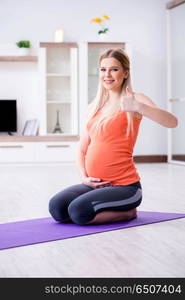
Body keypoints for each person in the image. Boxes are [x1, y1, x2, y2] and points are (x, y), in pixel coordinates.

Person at [49, 48, 178, 226]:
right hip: (94, 184)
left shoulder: (134, 100)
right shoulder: (95, 107)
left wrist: (140, 107)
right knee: (57, 208)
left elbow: (172, 122)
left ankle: (128, 213)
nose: (107, 75)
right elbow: (82, 148)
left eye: (114, 69)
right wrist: (84, 177)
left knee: (78, 212)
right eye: (103, 69)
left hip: (125, 187)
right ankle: (96, 203)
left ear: (125, 73)